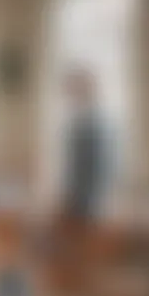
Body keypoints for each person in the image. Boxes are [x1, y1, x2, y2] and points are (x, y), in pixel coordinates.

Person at [61, 68, 113, 223]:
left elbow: (97, 167)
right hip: (78, 198)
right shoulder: (79, 118)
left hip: (87, 202)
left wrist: (76, 198)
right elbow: (73, 164)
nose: (70, 95)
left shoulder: (93, 121)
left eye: (74, 89)